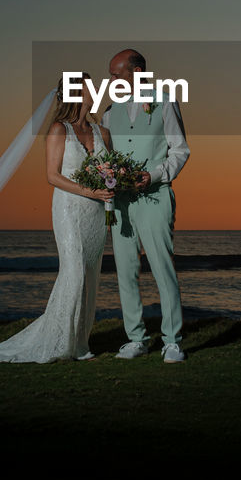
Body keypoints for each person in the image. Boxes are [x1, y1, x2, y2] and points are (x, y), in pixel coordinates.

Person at [0, 75, 114, 363]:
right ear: (74, 93)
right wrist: (90, 190)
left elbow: (111, 171)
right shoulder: (59, 130)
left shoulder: (103, 133)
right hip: (69, 209)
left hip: (96, 213)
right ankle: (59, 343)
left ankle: (80, 342)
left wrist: (109, 188)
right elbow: (52, 176)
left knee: (91, 277)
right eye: (89, 88)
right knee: (74, 272)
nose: (95, 91)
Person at [102, 48, 190, 363]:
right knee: (125, 271)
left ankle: (172, 341)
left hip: (156, 198)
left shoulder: (165, 101)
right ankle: (136, 338)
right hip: (121, 205)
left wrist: (153, 175)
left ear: (136, 72)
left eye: (115, 73)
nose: (110, 80)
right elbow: (105, 158)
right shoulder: (110, 113)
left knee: (163, 269)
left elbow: (180, 150)